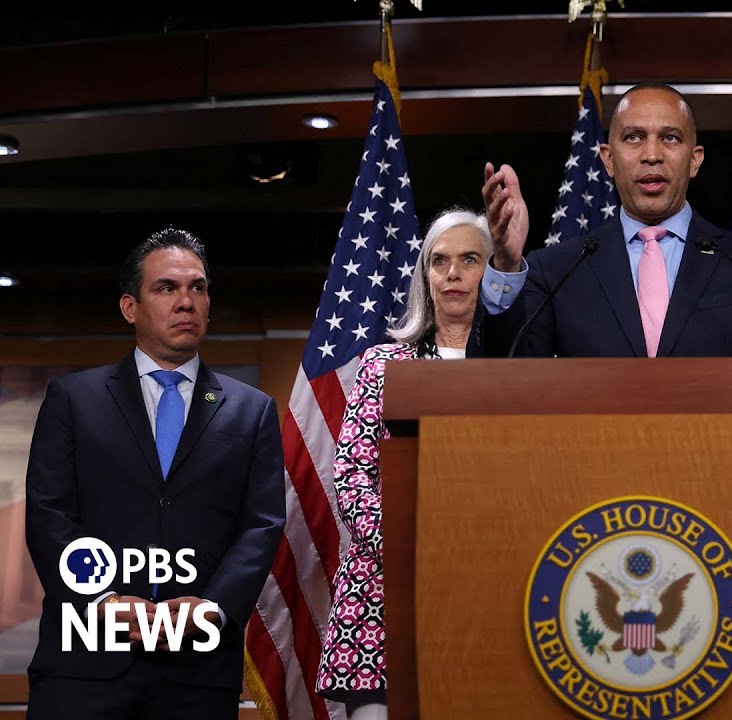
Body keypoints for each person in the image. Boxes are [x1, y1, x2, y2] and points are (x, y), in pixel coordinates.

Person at [24, 228, 285, 719]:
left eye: (197, 288)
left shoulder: (251, 411)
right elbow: (48, 516)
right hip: (85, 668)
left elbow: (261, 525)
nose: (186, 301)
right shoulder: (73, 400)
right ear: (130, 307)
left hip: (197, 674)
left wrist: (211, 608)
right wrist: (101, 600)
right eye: (166, 288)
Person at [478, 82, 732, 358]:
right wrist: (507, 266)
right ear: (607, 159)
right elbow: (502, 380)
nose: (651, 154)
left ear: (695, 159)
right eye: (634, 137)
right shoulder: (555, 271)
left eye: (670, 138)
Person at [315, 208, 493, 720]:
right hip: (384, 587)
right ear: (425, 276)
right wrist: (407, 545)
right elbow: (352, 474)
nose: (453, 273)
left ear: (494, 272)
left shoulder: (519, 365)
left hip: (490, 584)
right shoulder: (384, 364)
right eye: (439, 261)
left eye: (469, 259)